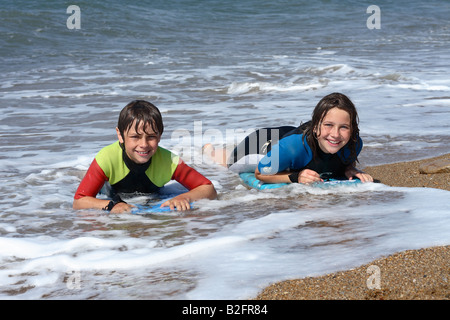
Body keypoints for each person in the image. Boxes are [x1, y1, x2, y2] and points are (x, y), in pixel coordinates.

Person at [73, 100, 217, 213]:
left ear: (160, 136)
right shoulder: (106, 158)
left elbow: (208, 188)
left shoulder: (169, 161)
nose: (144, 144)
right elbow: (79, 202)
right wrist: (111, 205)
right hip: (109, 191)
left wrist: (183, 198)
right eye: (135, 137)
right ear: (120, 135)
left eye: (151, 137)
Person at [203, 92, 373, 184]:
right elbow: (260, 173)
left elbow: (341, 159)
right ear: (315, 127)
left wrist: (349, 169)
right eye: (328, 125)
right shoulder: (293, 147)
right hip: (261, 144)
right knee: (230, 163)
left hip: (288, 136)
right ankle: (209, 150)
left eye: (344, 127)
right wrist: (295, 177)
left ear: (352, 129)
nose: (336, 134)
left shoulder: (354, 144)